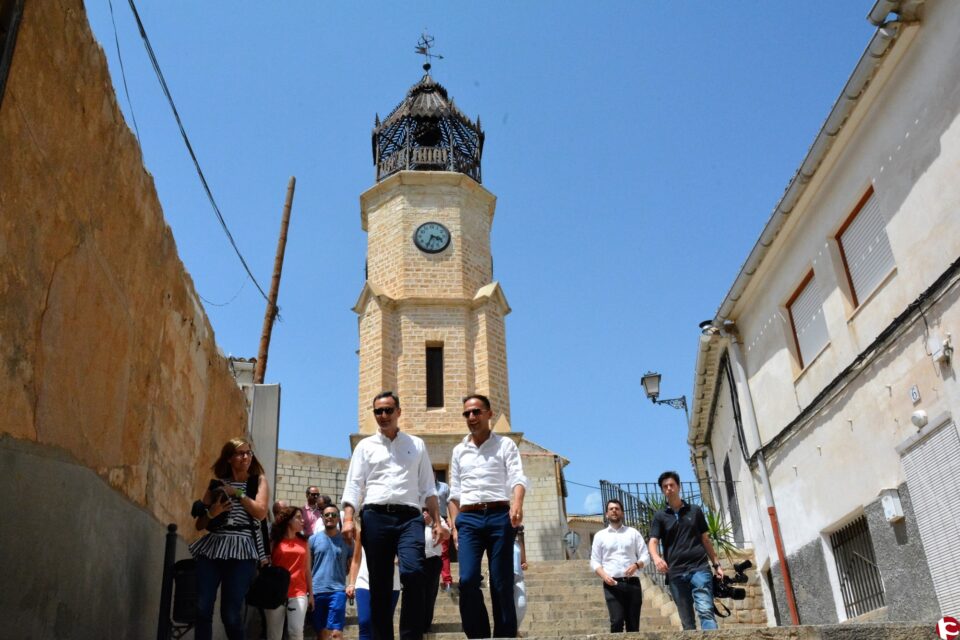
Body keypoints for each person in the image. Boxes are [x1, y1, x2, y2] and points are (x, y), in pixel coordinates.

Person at [340, 391, 448, 640]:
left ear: (398, 412)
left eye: (388, 410)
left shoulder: (416, 445)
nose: (384, 415)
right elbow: (354, 486)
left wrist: (439, 521)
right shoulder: (364, 447)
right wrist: (348, 518)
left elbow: (428, 489)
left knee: (413, 572)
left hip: (410, 517)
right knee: (379, 584)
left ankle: (411, 635)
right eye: (378, 411)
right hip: (375, 516)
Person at [448, 394, 527, 639]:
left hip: (498, 515)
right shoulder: (459, 451)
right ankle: (478, 634)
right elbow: (454, 494)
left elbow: (517, 478)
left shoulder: (505, 446)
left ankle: (504, 634)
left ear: (489, 414)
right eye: (467, 413)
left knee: (502, 580)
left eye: (476, 412)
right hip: (469, 519)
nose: (471, 417)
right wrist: (454, 527)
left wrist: (517, 504)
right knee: (468, 578)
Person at [189, 437, 270, 640]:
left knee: (231, 614)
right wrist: (211, 514)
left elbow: (260, 513)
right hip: (213, 547)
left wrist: (237, 493)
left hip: (243, 550)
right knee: (202, 608)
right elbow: (199, 525)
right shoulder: (215, 485)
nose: (246, 457)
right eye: (240, 453)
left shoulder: (258, 480)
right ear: (229, 458)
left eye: (248, 453)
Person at [648, 471, 724, 631]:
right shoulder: (660, 516)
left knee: (705, 610)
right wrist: (656, 558)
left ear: (679, 487)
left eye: (672, 485)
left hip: (699, 568)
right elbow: (653, 541)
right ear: (662, 490)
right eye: (665, 486)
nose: (669, 488)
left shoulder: (695, 511)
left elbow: (705, 539)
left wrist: (716, 565)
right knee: (687, 620)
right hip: (675, 573)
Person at [590, 499, 651, 633]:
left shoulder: (633, 533)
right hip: (612, 584)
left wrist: (636, 565)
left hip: (633, 583)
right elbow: (595, 561)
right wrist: (605, 576)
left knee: (633, 625)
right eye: (611, 509)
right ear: (606, 514)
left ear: (622, 513)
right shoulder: (600, 536)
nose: (614, 511)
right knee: (616, 622)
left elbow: (645, 556)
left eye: (617, 508)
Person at [265, 507, 314, 640]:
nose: (302, 520)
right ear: (288, 521)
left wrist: (311, 595)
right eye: (298, 517)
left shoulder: (304, 542)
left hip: (298, 592)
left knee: (296, 631)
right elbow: (265, 565)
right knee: (274, 635)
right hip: (275, 593)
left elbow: (307, 570)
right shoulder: (274, 541)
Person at [310, 504, 356, 640]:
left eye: (334, 515)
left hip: (337, 591)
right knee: (322, 634)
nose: (330, 517)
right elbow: (308, 566)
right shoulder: (312, 540)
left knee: (336, 634)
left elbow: (353, 562)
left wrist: (351, 582)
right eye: (327, 515)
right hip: (317, 591)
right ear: (322, 518)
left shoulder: (347, 541)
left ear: (338, 519)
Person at [348, 534, 402, 640]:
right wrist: (351, 583)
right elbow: (355, 560)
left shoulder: (399, 530)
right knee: (365, 622)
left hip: (391, 584)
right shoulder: (363, 532)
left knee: (383, 626)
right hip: (364, 582)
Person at [422, 509, 447, 633]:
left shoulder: (436, 517)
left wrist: (432, 523)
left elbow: (447, 534)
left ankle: (426, 626)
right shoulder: (409, 514)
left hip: (432, 561)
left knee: (430, 595)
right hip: (415, 560)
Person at [513, 526, 528, 631]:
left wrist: (524, 565)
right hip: (505, 578)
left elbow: (523, 561)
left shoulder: (517, 543)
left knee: (521, 604)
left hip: (518, 577)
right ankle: (511, 631)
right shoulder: (500, 541)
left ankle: (515, 629)